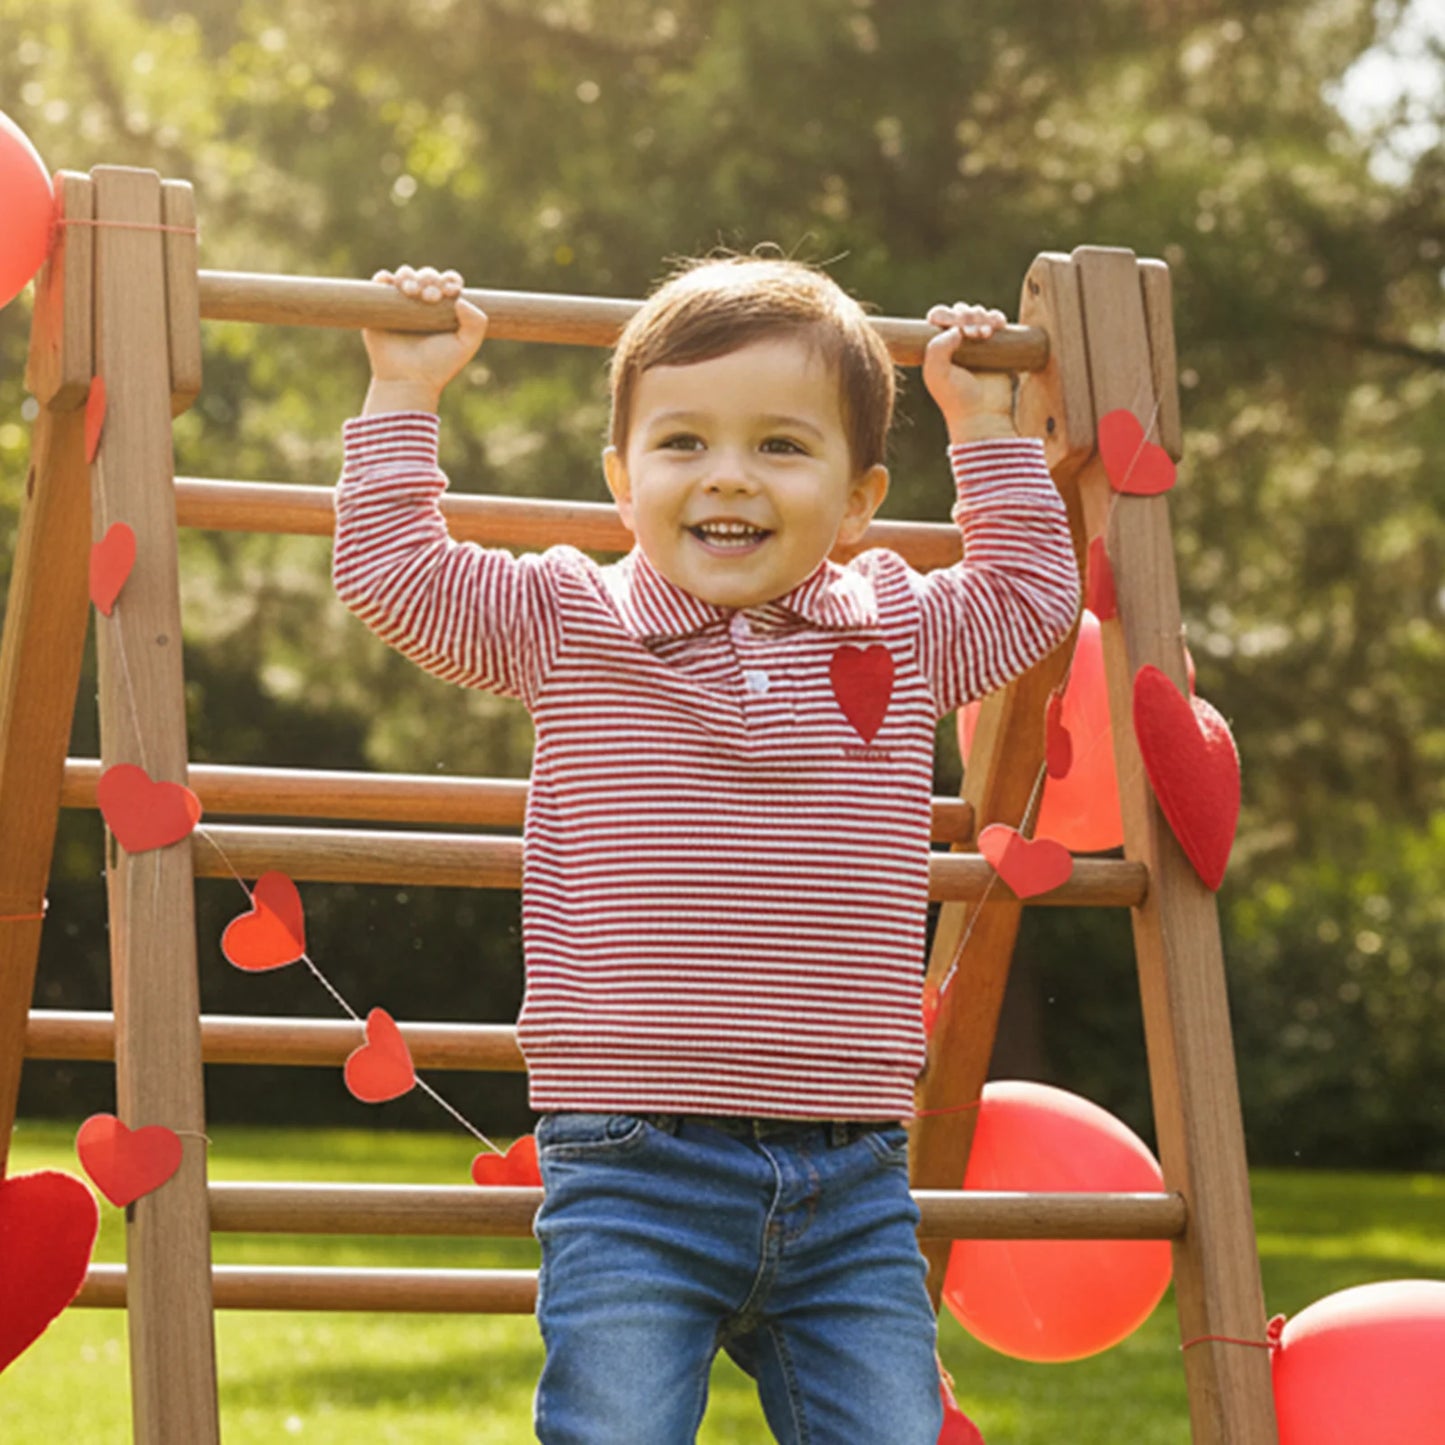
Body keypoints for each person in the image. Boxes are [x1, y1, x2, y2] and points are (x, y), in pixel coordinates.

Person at [333, 254, 1079, 1444]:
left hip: (850, 1172)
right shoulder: (571, 621)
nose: (727, 474)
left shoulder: (901, 630)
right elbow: (395, 573)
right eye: (682, 444)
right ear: (623, 482)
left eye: (781, 446)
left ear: (856, 499)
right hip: (634, 1164)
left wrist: (984, 426)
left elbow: (1034, 593)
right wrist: (404, 394)